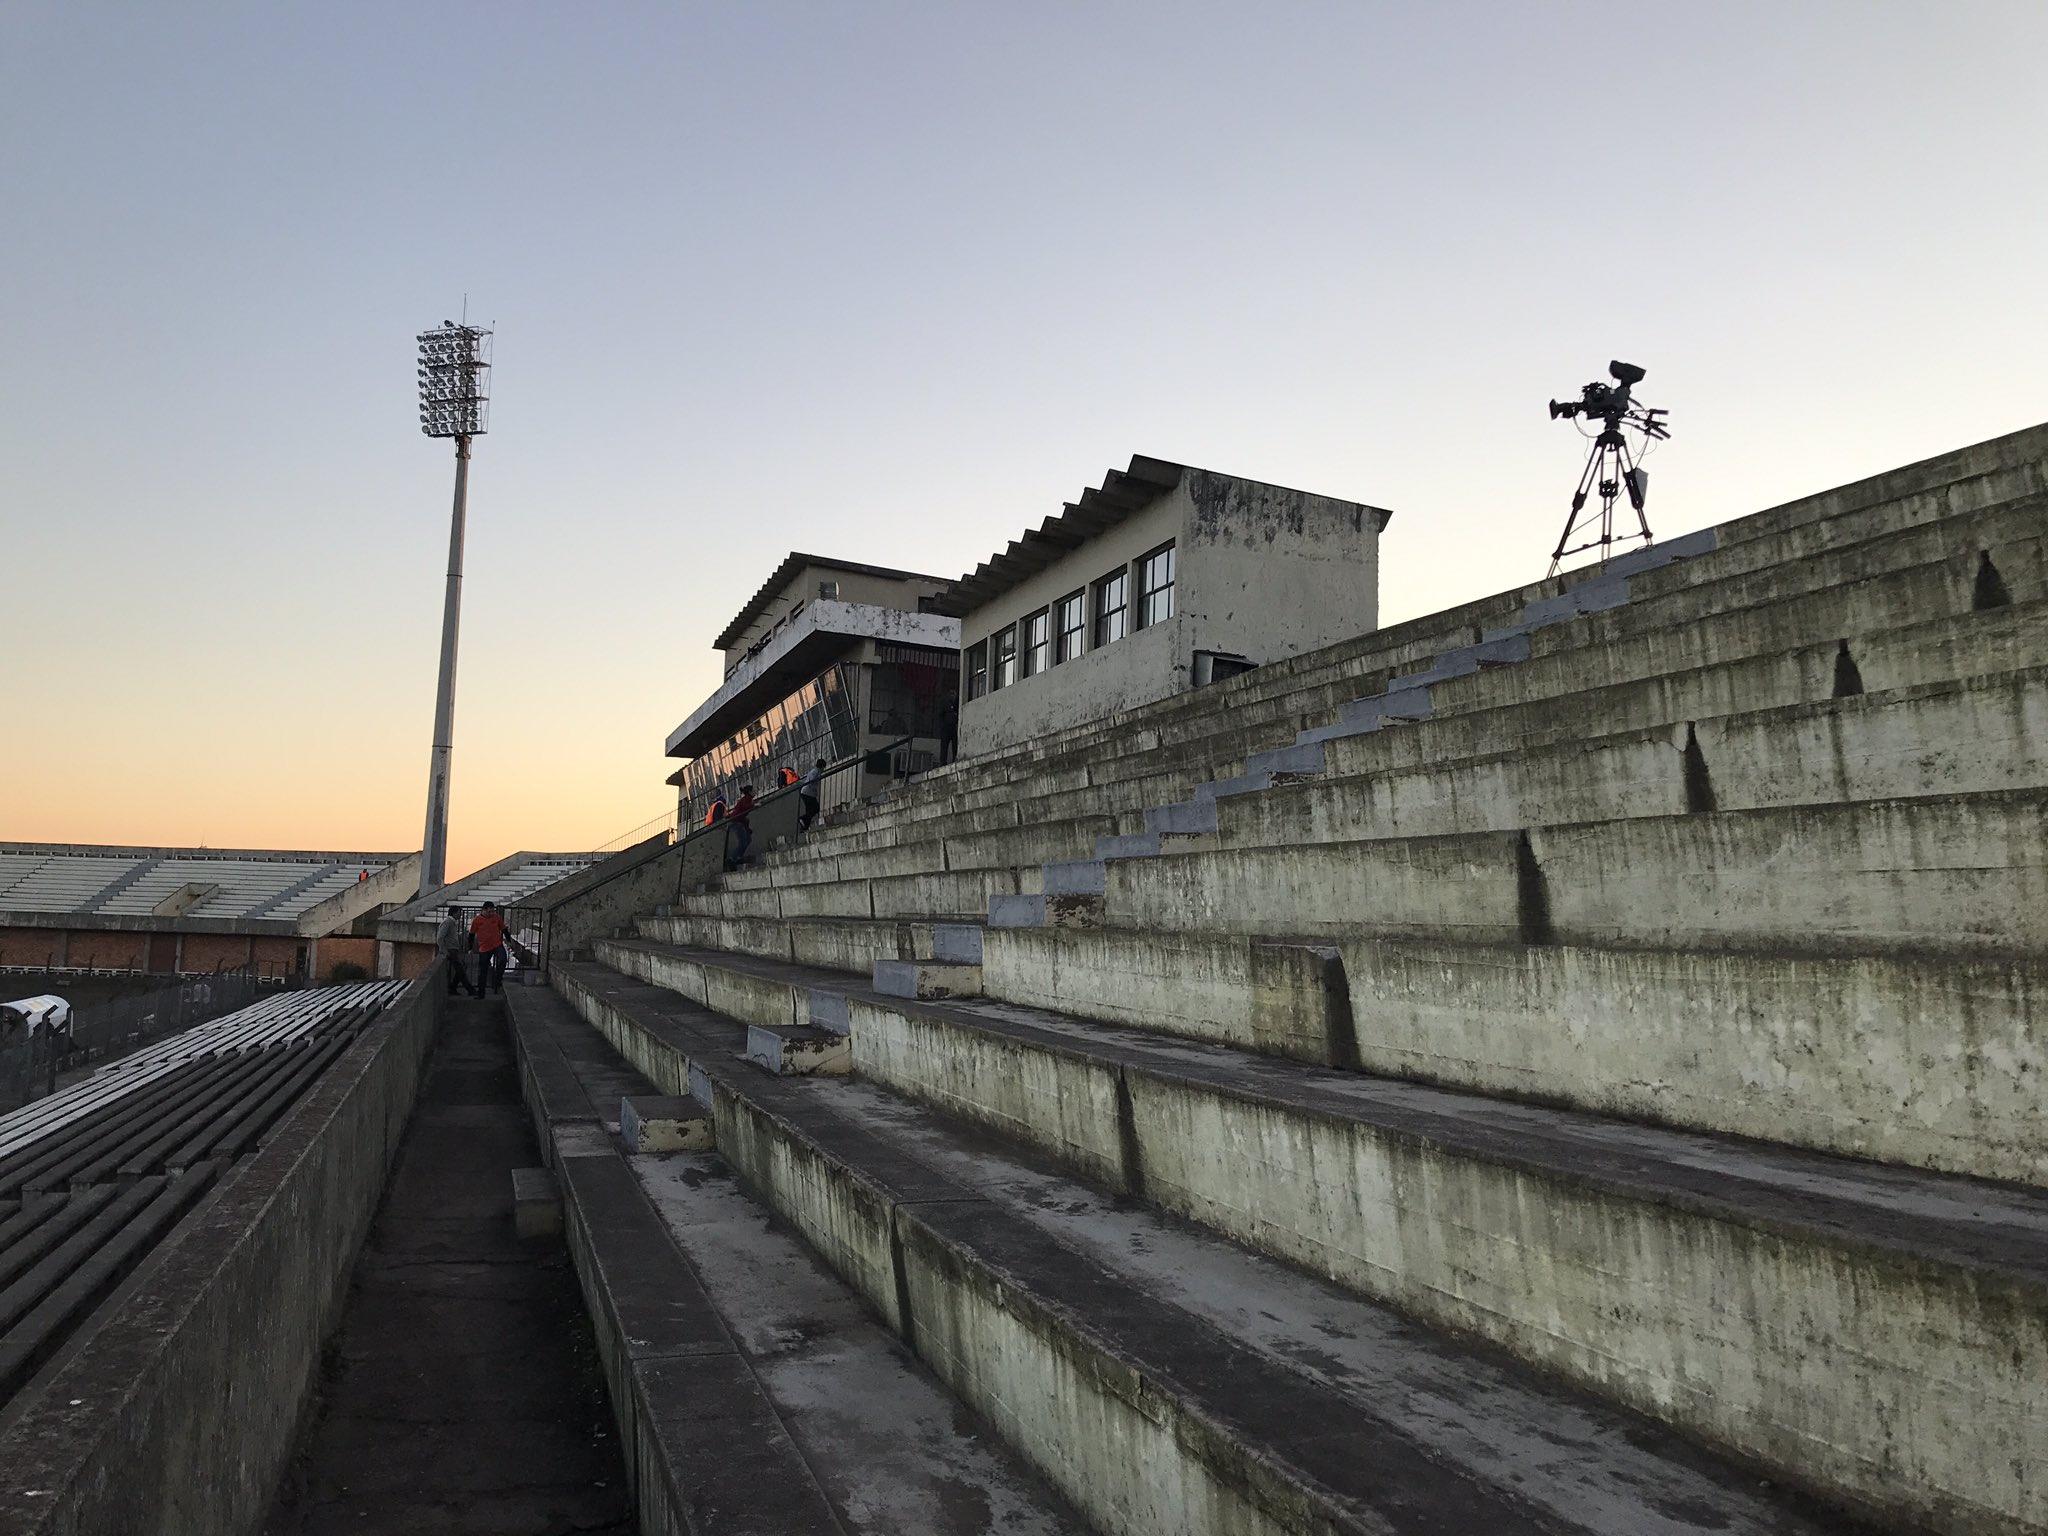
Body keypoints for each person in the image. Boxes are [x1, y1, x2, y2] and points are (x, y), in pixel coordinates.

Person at [437, 905, 480, 998]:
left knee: (462, 968)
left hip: (454, 950)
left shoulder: (452, 923)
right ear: (455, 912)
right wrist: (444, 950)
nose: (460, 915)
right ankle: (469, 989)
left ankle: (453, 987)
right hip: (450, 950)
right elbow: (440, 937)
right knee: (461, 969)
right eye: (459, 912)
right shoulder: (448, 922)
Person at [470, 901, 510, 995]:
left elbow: (504, 929)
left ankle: (497, 979)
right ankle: (481, 992)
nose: (491, 914)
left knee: (503, 959)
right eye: (489, 912)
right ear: (483, 910)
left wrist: (509, 941)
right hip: (484, 947)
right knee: (483, 970)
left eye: (492, 911)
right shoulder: (477, 920)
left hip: (497, 944)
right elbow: (471, 934)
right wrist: (470, 947)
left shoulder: (496, 917)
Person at [726, 784, 757, 871]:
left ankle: (739, 857)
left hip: (739, 821)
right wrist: (754, 805)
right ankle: (732, 859)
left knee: (748, 839)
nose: (755, 792)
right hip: (736, 822)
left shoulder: (747, 799)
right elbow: (744, 808)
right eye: (753, 791)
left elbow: (743, 815)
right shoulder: (747, 799)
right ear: (750, 792)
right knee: (743, 842)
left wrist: (747, 828)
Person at [798, 758, 825, 831]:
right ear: (822, 767)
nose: (823, 770)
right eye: (823, 768)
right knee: (815, 808)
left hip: (805, 792)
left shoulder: (813, 770)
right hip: (808, 792)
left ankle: (804, 827)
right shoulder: (817, 771)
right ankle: (803, 818)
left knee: (809, 810)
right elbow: (812, 780)